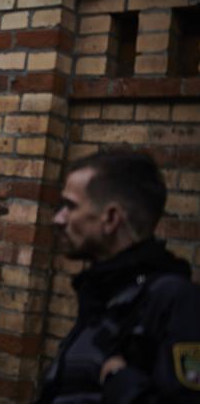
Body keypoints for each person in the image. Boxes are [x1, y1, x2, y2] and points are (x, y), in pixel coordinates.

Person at [36, 149, 200, 403]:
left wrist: (119, 380)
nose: (58, 219)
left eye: (70, 206)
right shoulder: (105, 293)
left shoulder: (173, 300)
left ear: (111, 218)